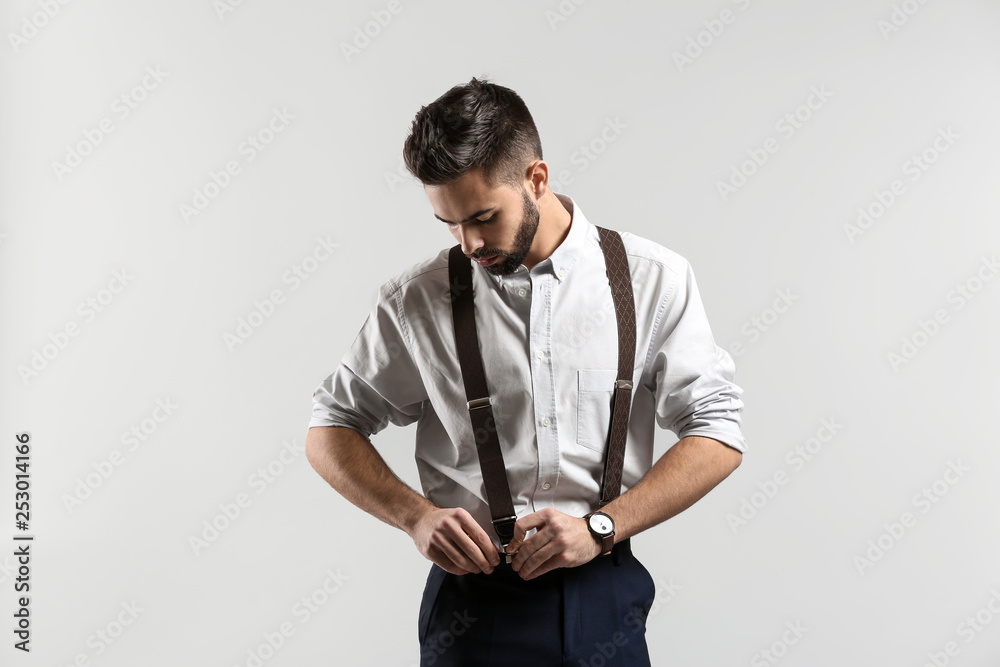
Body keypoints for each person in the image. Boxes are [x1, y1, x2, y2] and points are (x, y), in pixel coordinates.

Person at [305, 77, 747, 666]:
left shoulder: (651, 281)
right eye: (450, 224)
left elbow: (718, 431)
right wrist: (415, 517)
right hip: (473, 607)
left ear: (536, 179)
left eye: (484, 217)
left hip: (605, 594)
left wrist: (602, 527)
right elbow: (329, 426)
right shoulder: (417, 300)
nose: (468, 243)